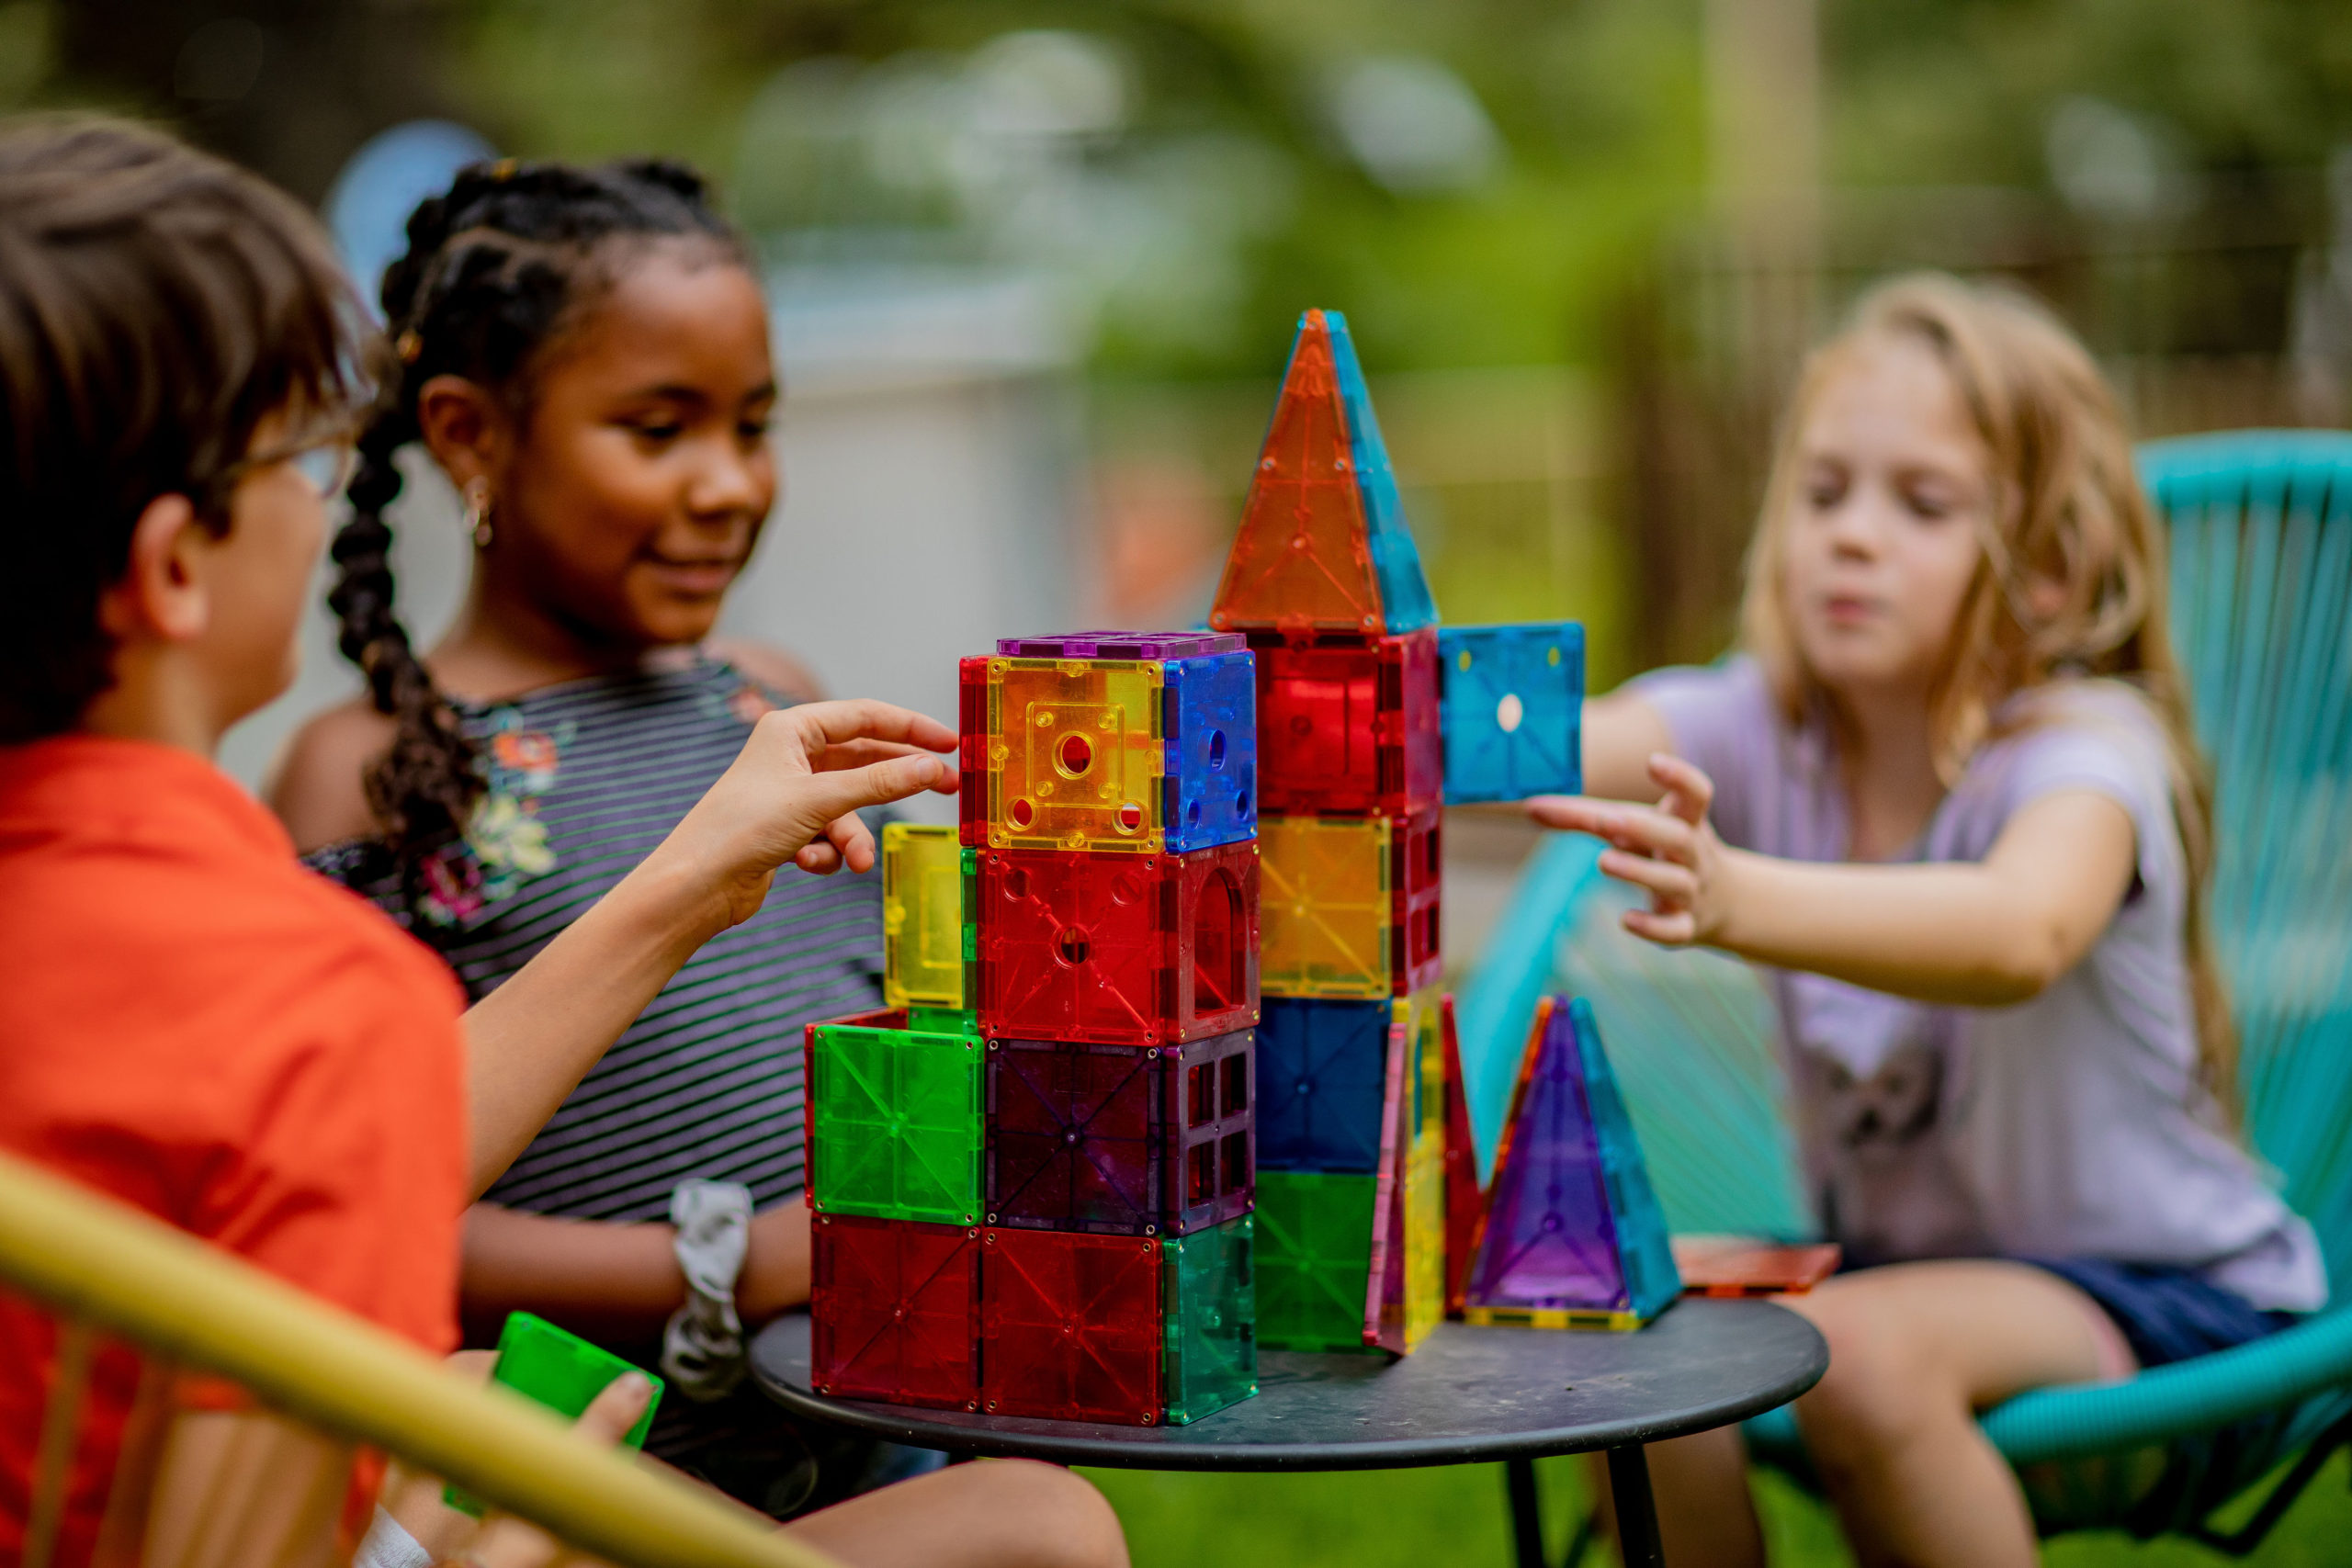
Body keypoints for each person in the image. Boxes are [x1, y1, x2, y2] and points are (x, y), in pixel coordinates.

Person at [0, 114, 1126, 1568]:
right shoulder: (308, 991)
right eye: (298, 455)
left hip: (830, 1409)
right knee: (1049, 1533)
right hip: (582, 1483)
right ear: (171, 568)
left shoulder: (207, 962)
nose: (330, 484)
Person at [1540, 274, 2326, 1568]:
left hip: (2167, 1296)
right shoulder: (1762, 730)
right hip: (1902, 1281)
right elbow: (1535, 747)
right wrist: (1343, 709)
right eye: (1824, 491)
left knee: (1855, 1359)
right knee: (1605, 1301)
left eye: (1922, 504)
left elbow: (2018, 933)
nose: (1852, 536)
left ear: (2054, 572)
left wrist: (1741, 897)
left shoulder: (2086, 754)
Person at [264, 153, 923, 1515]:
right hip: (618, 1493)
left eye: (752, 424)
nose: (730, 483)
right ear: (468, 435)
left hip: (900, 1424)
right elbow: (373, 1206)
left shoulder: (771, 696)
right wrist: (741, 1266)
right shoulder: (371, 773)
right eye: (658, 427)